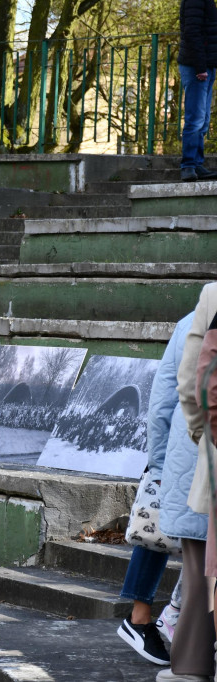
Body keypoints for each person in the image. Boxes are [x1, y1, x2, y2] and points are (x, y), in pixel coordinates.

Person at [117, 314, 197, 666]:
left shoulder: (192, 321)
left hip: (188, 449)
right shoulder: (193, 323)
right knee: (157, 526)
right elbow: (163, 398)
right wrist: (160, 463)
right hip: (188, 450)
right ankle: (144, 617)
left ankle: (168, 616)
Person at [164, 288, 217, 682]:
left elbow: (189, 383)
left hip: (208, 459)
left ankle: (190, 668)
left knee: (201, 571)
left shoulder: (213, 295)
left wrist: (205, 437)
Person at [179, 0, 217, 182]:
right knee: (195, 118)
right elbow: (192, 32)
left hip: (206, 66)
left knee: (203, 119)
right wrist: (200, 66)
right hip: (196, 67)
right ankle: (188, 166)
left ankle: (196, 163)